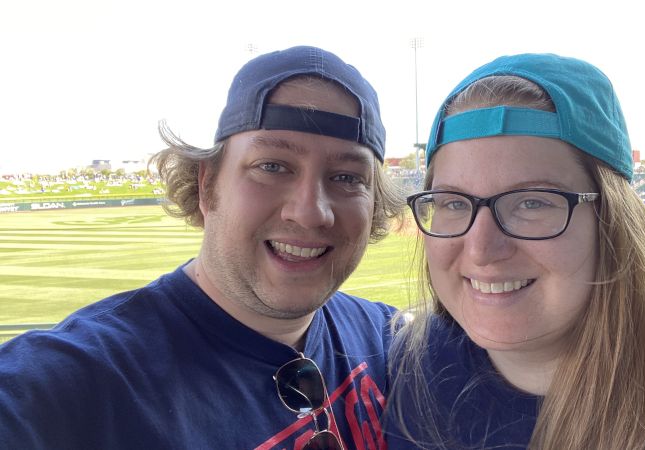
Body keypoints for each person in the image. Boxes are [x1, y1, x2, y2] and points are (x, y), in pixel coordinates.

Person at [385, 53, 645, 449]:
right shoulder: (410, 368)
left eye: (532, 202)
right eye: (454, 203)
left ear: (612, 223)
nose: (481, 249)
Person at [0, 46, 405, 449]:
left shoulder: (388, 340)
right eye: (272, 166)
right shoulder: (74, 385)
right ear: (207, 185)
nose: (311, 213)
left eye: (348, 177)